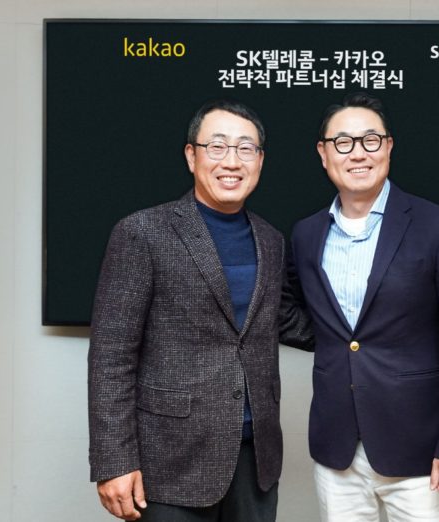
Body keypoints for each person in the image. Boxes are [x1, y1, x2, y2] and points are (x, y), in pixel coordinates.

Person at [88, 99, 312, 522]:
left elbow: (284, 320)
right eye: (218, 146)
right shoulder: (142, 232)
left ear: (260, 160)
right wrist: (114, 461)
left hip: (256, 458)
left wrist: (374, 325)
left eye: (245, 148)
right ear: (192, 156)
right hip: (170, 460)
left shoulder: (270, 240)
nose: (232, 161)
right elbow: (110, 357)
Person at [290, 92, 439, 522]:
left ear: (388, 147)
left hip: (420, 453)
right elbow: (315, 322)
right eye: (343, 142)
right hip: (337, 451)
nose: (357, 153)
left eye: (370, 140)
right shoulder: (306, 235)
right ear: (323, 153)